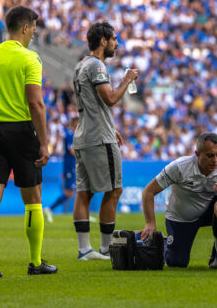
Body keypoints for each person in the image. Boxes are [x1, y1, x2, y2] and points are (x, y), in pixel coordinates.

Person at [0, 6, 57, 277]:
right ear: (26, 27)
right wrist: (44, 142)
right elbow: (35, 103)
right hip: (20, 132)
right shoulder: (30, 59)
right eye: (33, 28)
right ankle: (35, 262)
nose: (34, 34)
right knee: (32, 199)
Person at [72, 21, 138, 260]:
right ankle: (106, 248)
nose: (116, 43)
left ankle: (83, 250)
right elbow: (109, 98)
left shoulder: (80, 66)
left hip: (84, 135)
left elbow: (92, 104)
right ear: (103, 41)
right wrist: (127, 80)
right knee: (114, 190)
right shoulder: (97, 66)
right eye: (114, 39)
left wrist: (112, 126)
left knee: (84, 191)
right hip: (99, 138)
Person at [139, 132, 217, 268]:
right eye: (210, 155)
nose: (215, 160)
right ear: (197, 154)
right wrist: (150, 223)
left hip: (209, 213)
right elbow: (148, 192)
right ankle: (163, 242)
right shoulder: (179, 167)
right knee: (177, 262)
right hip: (181, 218)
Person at [44, 117, 78, 223]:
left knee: (71, 192)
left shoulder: (70, 134)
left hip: (71, 166)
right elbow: (71, 150)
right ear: (75, 124)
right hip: (69, 167)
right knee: (69, 192)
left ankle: (50, 209)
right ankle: (50, 208)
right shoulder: (69, 135)